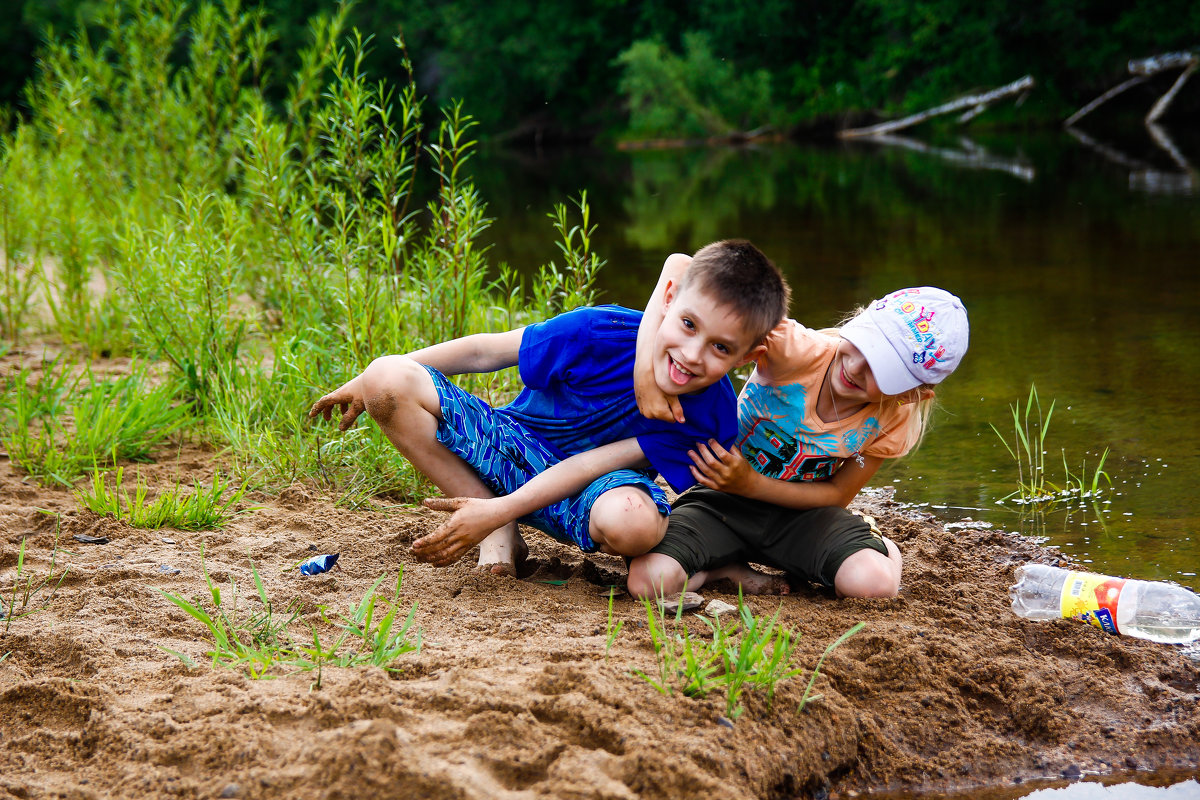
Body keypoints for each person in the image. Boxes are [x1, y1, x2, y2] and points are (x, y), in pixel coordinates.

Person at [309, 240, 790, 576]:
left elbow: (593, 463)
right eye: (687, 324)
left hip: (585, 491)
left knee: (636, 521)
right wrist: (364, 380)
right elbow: (484, 353)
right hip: (512, 453)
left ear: (745, 359)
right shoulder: (599, 333)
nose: (691, 355)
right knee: (387, 378)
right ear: (668, 300)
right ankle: (501, 535)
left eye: (721, 349)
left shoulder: (707, 414)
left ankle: (496, 518)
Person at [627, 257, 969, 600]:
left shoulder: (894, 418)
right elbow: (680, 265)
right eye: (865, 344)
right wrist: (645, 371)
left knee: (874, 585)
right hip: (720, 503)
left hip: (803, 519)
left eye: (881, 369)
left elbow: (837, 494)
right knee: (647, 581)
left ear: (911, 394)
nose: (855, 365)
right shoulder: (792, 348)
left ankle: (884, 549)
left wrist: (752, 482)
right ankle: (726, 570)